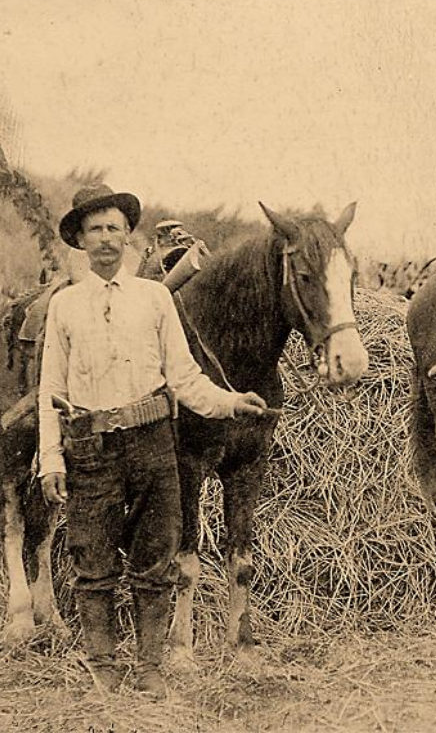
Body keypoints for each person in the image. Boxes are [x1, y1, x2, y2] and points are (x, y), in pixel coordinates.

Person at [37, 184, 268, 698]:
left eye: (114, 228)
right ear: (79, 239)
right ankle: (102, 667)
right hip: (91, 448)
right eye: (94, 229)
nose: (105, 239)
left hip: (152, 444)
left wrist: (231, 403)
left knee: (155, 562)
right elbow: (51, 388)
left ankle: (150, 668)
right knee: (92, 564)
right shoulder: (66, 306)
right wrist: (50, 458)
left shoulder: (156, 297)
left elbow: (185, 379)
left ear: (128, 236)